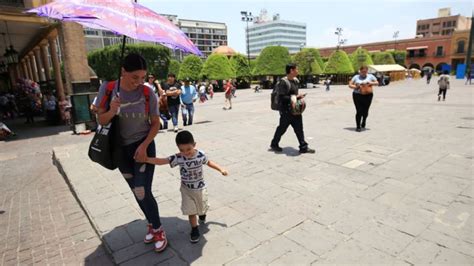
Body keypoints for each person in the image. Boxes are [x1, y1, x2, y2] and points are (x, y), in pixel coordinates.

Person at [96, 53, 167, 253]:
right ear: (123, 72)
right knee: (136, 191)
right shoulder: (108, 89)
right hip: (120, 150)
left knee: (142, 189)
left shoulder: (147, 92)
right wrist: (111, 110)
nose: (139, 82)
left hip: (143, 146)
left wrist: (144, 145)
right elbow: (101, 121)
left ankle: (159, 229)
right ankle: (152, 225)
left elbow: (156, 123)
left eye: (143, 77)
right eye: (135, 77)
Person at [145, 130, 228, 243]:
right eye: (182, 150)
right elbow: (163, 161)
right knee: (191, 211)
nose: (186, 152)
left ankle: (202, 214)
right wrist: (146, 159)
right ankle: (194, 229)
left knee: (201, 208)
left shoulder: (200, 155)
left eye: (188, 149)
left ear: (194, 144)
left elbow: (209, 162)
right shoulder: (179, 158)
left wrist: (221, 169)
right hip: (186, 190)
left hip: (200, 188)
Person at [270, 63, 315, 154]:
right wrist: (295, 97)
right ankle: (274, 144)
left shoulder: (295, 81)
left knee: (299, 129)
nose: (298, 71)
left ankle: (303, 147)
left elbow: (293, 95)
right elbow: (282, 97)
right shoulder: (283, 82)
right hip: (286, 111)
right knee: (282, 129)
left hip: (295, 110)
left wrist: (298, 97)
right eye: (296, 69)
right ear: (291, 70)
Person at [348, 65, 379, 132]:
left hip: (368, 95)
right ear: (360, 71)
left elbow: (377, 83)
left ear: (367, 71)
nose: (363, 73)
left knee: (365, 111)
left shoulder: (370, 76)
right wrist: (356, 87)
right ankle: (358, 126)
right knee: (359, 111)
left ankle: (364, 120)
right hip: (357, 95)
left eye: (365, 72)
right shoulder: (356, 77)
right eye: (362, 72)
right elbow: (350, 85)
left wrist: (370, 83)